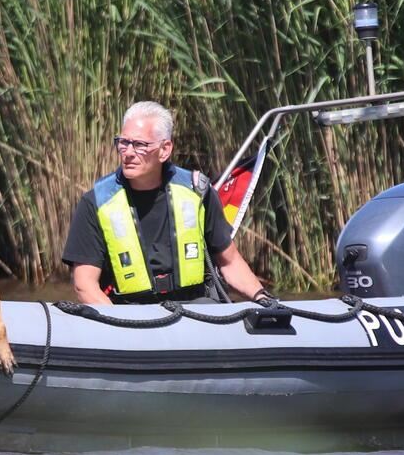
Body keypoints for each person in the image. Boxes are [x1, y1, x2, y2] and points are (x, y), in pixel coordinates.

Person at [62, 100, 272, 306]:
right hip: (132, 312)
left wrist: (262, 298)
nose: (128, 152)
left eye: (139, 144)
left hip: (194, 307)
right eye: (123, 142)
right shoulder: (96, 202)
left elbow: (230, 262)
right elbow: (85, 285)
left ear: (164, 150)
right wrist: (123, 330)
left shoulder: (198, 193)